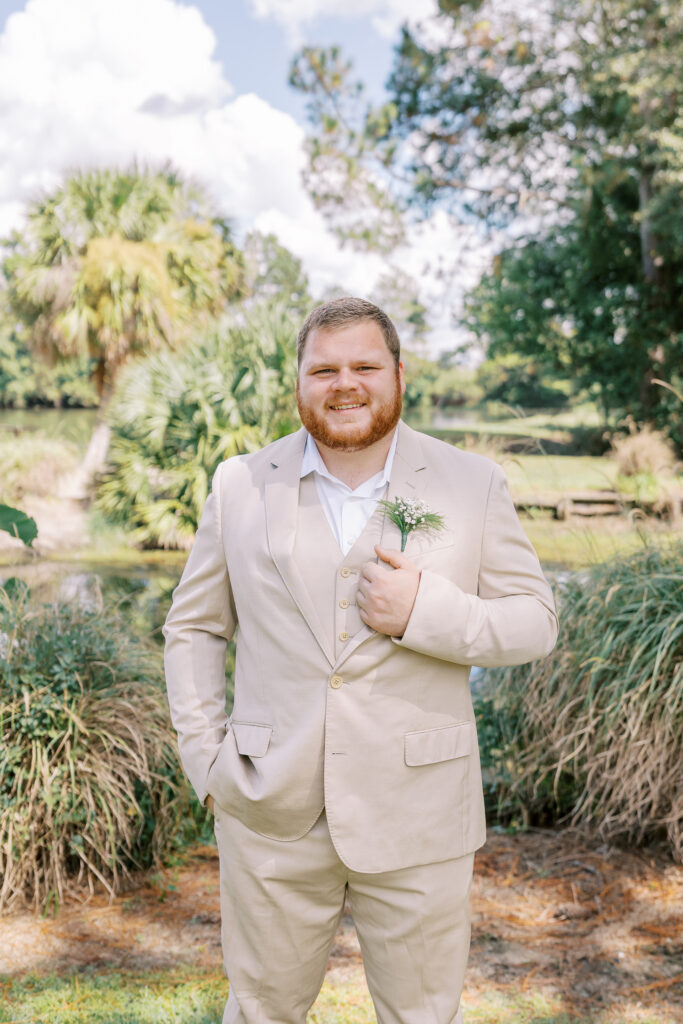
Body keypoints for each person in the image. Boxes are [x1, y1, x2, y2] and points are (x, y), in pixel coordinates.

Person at [163, 296, 558, 1024]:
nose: (344, 383)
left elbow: (534, 623)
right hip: (267, 806)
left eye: (364, 366)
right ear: (300, 382)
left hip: (420, 813)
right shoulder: (240, 484)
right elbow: (192, 628)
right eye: (324, 369)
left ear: (398, 374)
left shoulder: (471, 483)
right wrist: (205, 758)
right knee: (258, 1013)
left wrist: (423, 614)